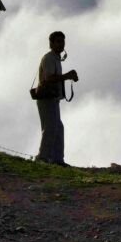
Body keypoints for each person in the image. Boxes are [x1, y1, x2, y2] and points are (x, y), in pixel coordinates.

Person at [35, 30, 78, 166]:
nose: (61, 44)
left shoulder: (56, 58)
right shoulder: (49, 58)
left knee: (58, 127)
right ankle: (43, 157)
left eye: (63, 41)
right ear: (51, 43)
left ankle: (57, 159)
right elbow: (48, 78)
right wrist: (67, 76)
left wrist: (67, 76)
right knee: (51, 127)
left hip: (53, 98)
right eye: (58, 41)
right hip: (46, 97)